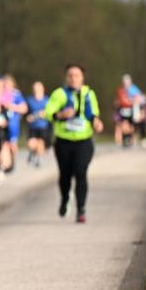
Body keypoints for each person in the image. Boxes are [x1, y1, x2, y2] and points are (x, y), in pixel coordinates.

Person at [43, 64, 103, 223]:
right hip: (63, 141)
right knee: (65, 175)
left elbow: (94, 113)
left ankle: (81, 209)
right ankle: (64, 198)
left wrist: (97, 122)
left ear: (82, 77)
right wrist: (61, 114)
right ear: (66, 77)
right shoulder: (59, 94)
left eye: (76, 75)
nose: (73, 78)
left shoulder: (89, 94)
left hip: (84, 141)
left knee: (81, 172)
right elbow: (48, 113)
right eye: (70, 75)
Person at [25, 81, 52, 167]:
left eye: (38, 88)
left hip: (44, 127)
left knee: (41, 143)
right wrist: (28, 117)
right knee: (31, 144)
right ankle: (33, 153)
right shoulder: (29, 100)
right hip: (32, 127)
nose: (36, 90)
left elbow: (51, 112)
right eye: (34, 88)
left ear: (42, 89)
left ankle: (37, 158)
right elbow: (25, 112)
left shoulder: (47, 100)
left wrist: (42, 114)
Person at [115, 74, 141, 147]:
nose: (126, 84)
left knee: (131, 125)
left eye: (127, 82)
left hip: (131, 109)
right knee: (124, 124)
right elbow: (120, 100)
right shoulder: (121, 90)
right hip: (123, 109)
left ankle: (131, 140)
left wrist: (132, 102)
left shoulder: (134, 89)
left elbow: (138, 98)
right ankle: (125, 138)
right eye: (125, 82)